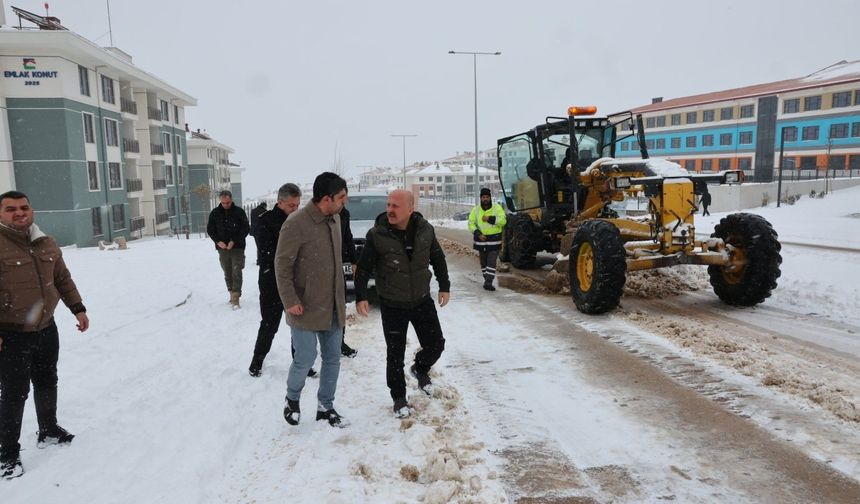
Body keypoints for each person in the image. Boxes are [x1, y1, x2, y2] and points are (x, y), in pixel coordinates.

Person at [0, 191, 90, 480]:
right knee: (14, 394)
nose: (19, 213)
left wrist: (77, 308)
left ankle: (48, 430)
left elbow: (62, 278)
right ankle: (7, 455)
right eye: (10, 209)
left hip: (46, 328)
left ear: (32, 210)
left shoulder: (45, 241)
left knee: (47, 379)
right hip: (11, 333)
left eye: (24, 207)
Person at [355, 189, 450, 419]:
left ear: (410, 208)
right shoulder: (377, 235)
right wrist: (361, 296)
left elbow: (437, 257)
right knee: (395, 354)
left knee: (436, 344)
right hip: (392, 303)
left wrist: (444, 285)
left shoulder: (425, 230)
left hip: (421, 300)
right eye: (388, 205)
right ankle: (399, 398)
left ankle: (420, 368)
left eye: (395, 206)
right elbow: (364, 267)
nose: (390, 209)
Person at [276, 172, 349, 428]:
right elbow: (282, 266)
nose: (344, 202)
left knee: (332, 357)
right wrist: (290, 300)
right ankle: (292, 398)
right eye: (341, 198)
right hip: (303, 305)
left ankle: (325, 406)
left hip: (332, 303)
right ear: (326, 198)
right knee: (305, 357)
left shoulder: (335, 219)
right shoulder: (296, 223)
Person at [249, 183, 318, 378]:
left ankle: (301, 364)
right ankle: (257, 361)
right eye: (291, 206)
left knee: (299, 325)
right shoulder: (265, 221)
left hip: (296, 280)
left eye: (297, 205)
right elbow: (267, 252)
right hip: (271, 279)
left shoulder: (301, 220)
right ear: (279, 202)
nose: (295, 209)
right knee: (270, 323)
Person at [207, 190, 250, 309]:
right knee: (227, 272)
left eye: (228, 202)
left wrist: (234, 240)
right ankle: (231, 293)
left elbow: (245, 228)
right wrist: (218, 241)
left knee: (237, 270)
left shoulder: (239, 212)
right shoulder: (215, 213)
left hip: (238, 247)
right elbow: (210, 229)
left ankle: (236, 296)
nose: (226, 205)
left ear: (231, 200)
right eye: (224, 203)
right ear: (220, 201)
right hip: (222, 248)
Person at [467, 188, 507, 291]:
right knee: (483, 263)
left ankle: (488, 282)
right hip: (481, 240)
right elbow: (471, 223)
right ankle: (487, 279)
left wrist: (490, 218)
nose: (485, 199)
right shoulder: (475, 210)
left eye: (487, 197)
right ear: (481, 198)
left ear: (490, 198)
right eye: (483, 197)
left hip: (494, 240)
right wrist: (477, 233)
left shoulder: (497, 208)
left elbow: (503, 221)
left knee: (491, 262)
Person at [339, 205, 358, 358]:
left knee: (341, 304)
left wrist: (353, 260)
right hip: (325, 266)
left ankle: (340, 342)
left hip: (343, 263)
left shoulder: (344, 213)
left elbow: (348, 236)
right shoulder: (321, 213)